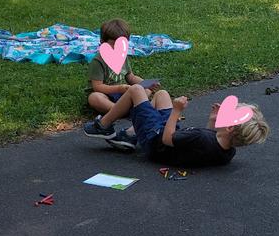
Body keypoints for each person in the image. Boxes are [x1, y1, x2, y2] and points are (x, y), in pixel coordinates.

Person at [83, 83, 269, 167]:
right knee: (162, 95)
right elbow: (209, 141)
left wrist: (177, 111)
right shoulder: (227, 150)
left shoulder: (200, 138)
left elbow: (167, 138)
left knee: (137, 90)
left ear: (229, 127)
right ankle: (131, 135)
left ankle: (104, 126)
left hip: (155, 139)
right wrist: (213, 120)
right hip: (168, 137)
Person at [87, 18, 158, 150]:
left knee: (146, 91)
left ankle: (126, 109)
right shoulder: (98, 60)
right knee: (94, 97)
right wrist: (119, 88)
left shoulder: (123, 57)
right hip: (107, 94)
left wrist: (145, 83)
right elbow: (97, 86)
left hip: (124, 93)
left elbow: (130, 77)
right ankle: (119, 111)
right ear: (102, 42)